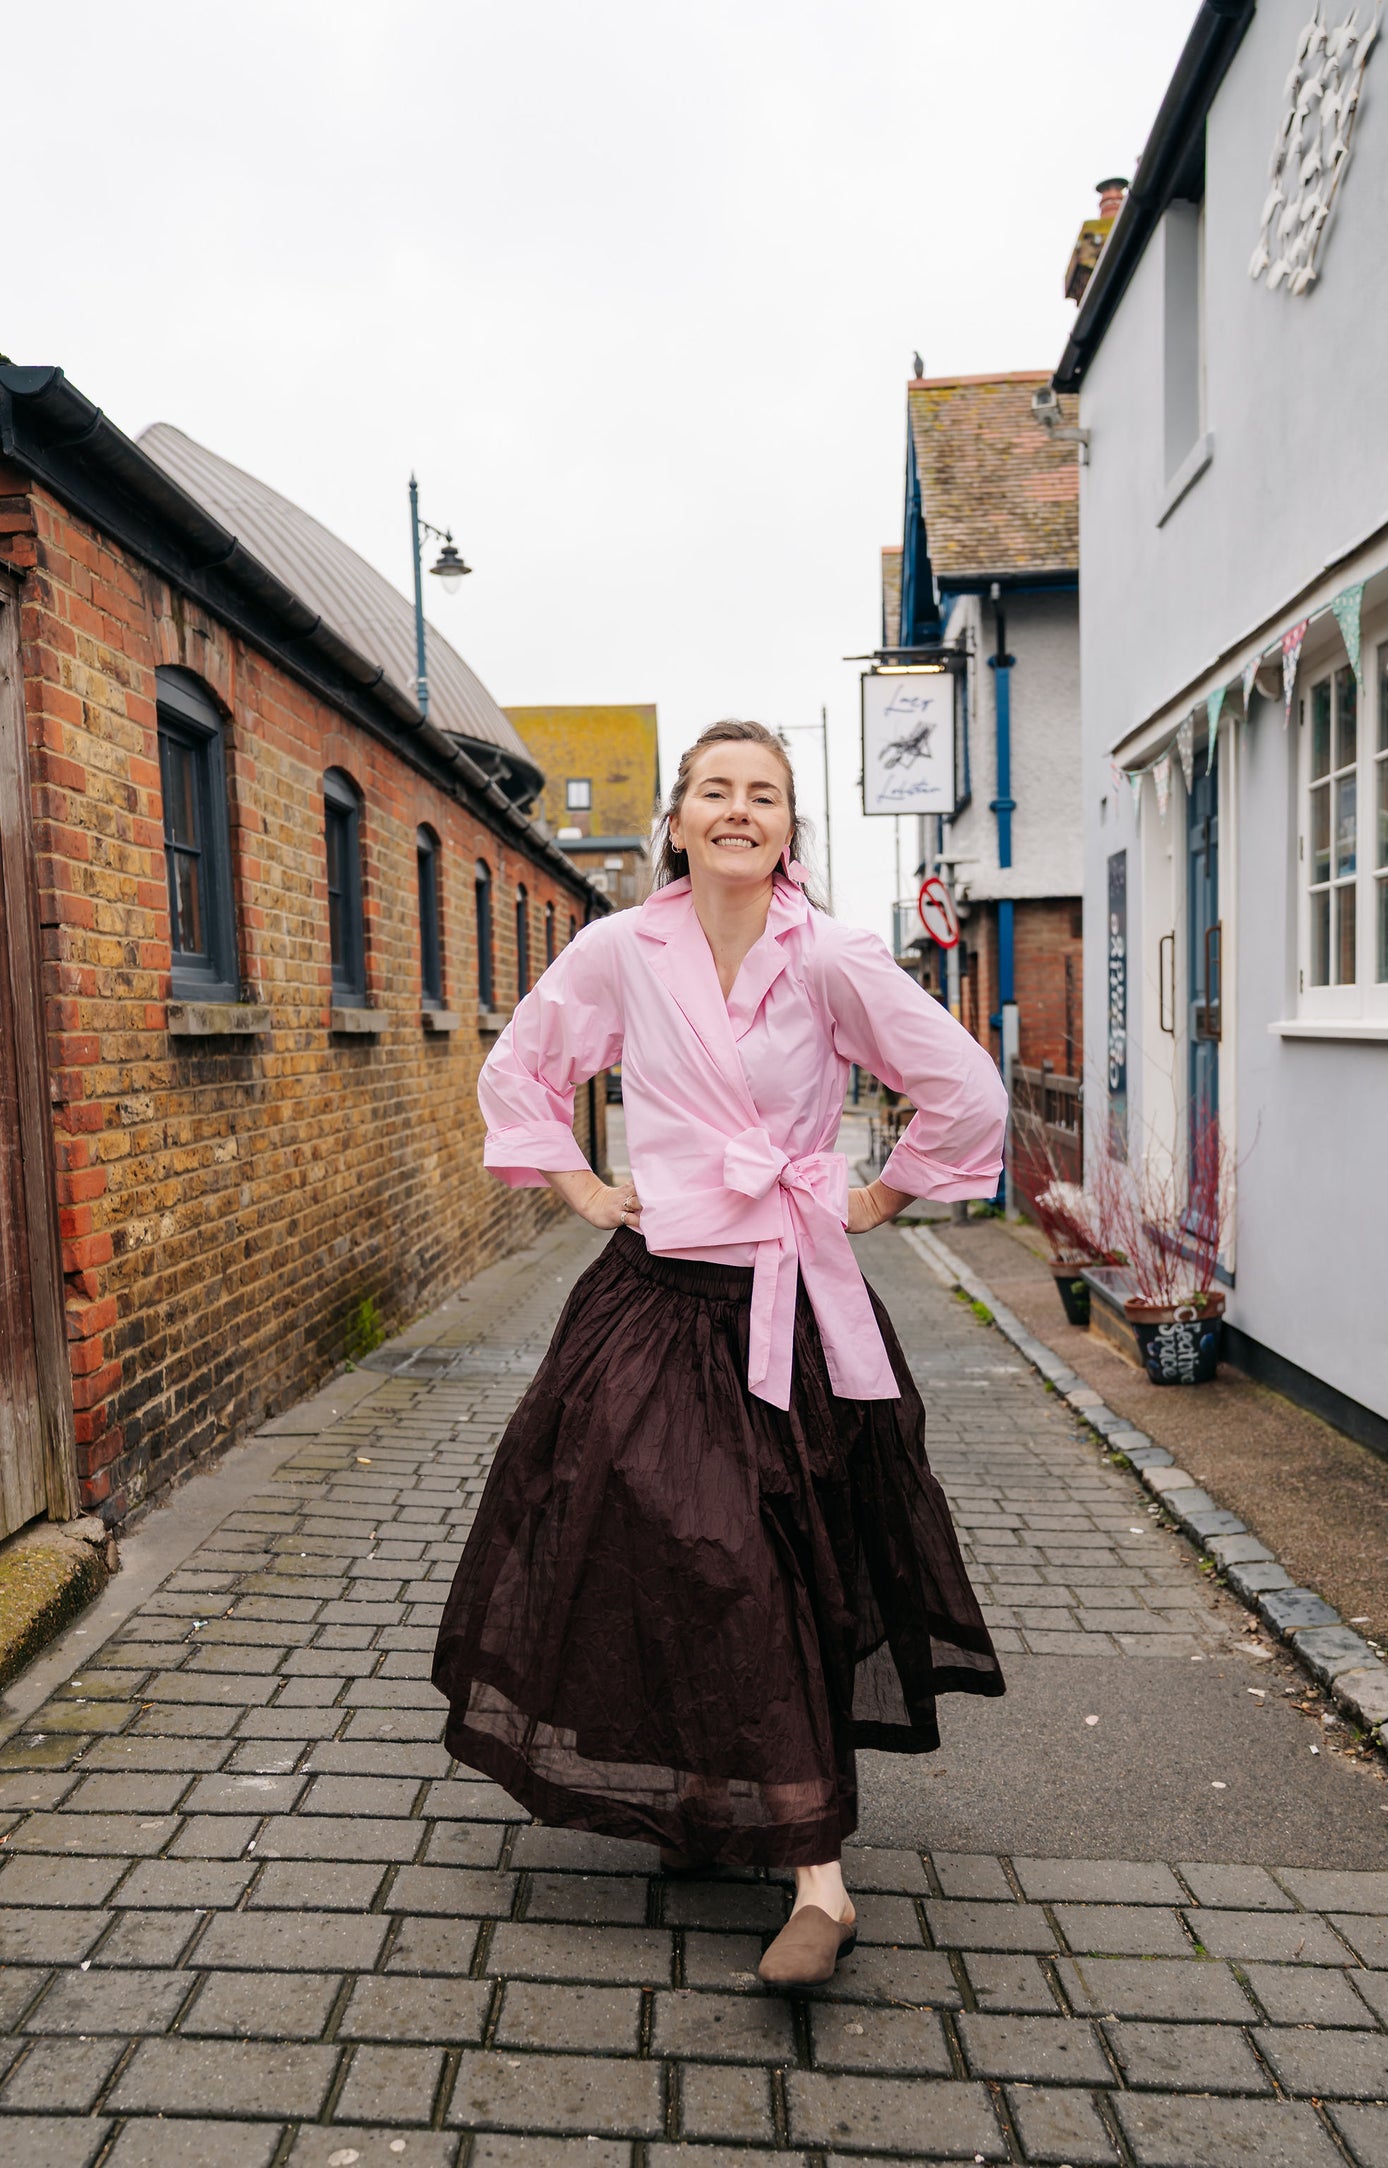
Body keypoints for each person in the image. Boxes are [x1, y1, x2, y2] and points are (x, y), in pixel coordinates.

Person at [433, 719, 1008, 1987]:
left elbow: (964, 1087)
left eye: (764, 794)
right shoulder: (619, 951)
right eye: (715, 791)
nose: (738, 810)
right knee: (653, 1551)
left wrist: (879, 1197)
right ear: (678, 821)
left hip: (786, 1306)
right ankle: (707, 1796)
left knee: (769, 1566)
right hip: (649, 1300)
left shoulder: (834, 957)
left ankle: (819, 1878)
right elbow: (521, 1069)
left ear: (788, 827)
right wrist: (584, 1189)